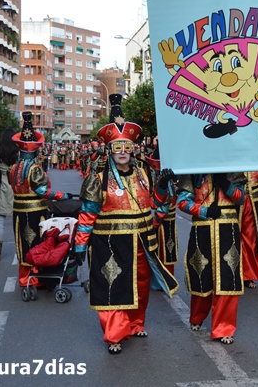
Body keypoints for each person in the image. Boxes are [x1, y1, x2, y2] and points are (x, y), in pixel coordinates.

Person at [75, 95, 178, 355]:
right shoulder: (97, 177)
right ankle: (114, 334)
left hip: (142, 240)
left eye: (127, 147)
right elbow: (87, 214)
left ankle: (135, 323)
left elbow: (156, 204)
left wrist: (164, 188)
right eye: (117, 147)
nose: (122, 152)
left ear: (132, 149)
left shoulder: (144, 174)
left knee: (141, 285)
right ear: (109, 150)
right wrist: (79, 244)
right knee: (113, 286)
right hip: (109, 242)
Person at [177, 171, 245, 345]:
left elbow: (241, 198)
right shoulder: (193, 171)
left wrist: (226, 185)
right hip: (202, 228)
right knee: (200, 274)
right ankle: (197, 316)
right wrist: (204, 210)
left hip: (228, 229)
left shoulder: (233, 170)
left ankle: (224, 327)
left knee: (228, 278)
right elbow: (183, 202)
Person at [10, 113, 68, 288]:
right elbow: (41, 190)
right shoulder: (34, 168)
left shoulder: (14, 167)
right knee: (37, 242)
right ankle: (37, 276)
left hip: (18, 211)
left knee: (22, 241)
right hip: (36, 211)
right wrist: (59, 195)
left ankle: (24, 277)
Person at [0, 128, 19, 262]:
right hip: (16, 185)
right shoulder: (18, 152)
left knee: (0, 220)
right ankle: (20, 250)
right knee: (18, 221)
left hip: (2, 185)